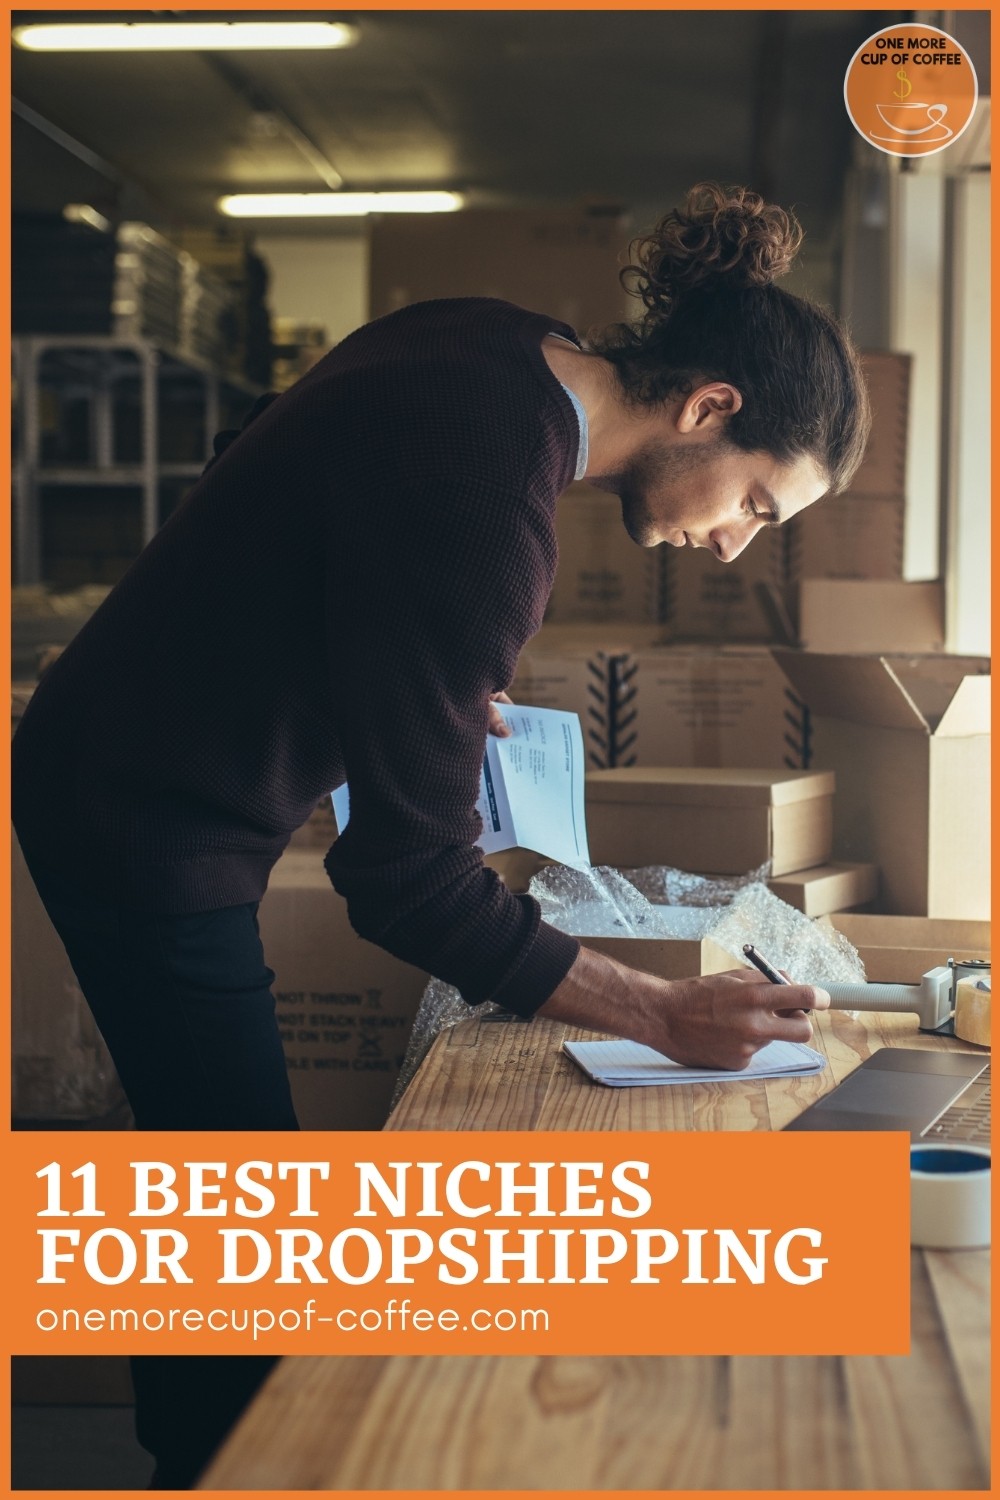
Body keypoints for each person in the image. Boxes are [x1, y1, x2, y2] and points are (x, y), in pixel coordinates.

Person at [12, 182, 870, 1485]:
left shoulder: (489, 340)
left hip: (124, 753)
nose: (735, 547)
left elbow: (277, 454)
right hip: (142, 812)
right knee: (242, 1225)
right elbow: (405, 882)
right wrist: (661, 1013)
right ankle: (214, 1465)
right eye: (756, 503)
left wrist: (396, 668)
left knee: (217, 1178)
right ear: (710, 409)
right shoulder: (494, 500)